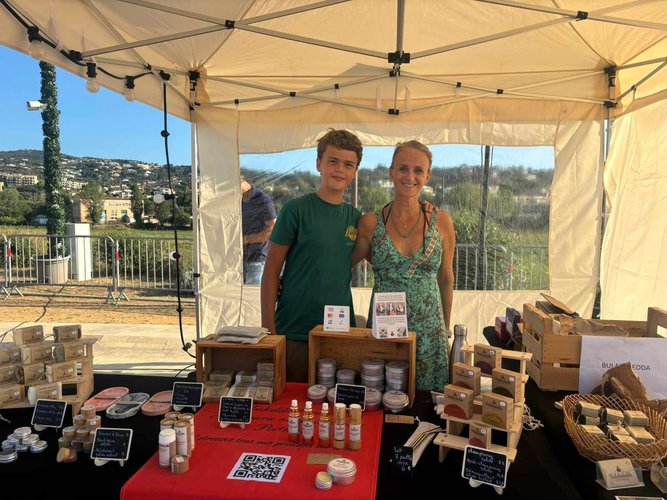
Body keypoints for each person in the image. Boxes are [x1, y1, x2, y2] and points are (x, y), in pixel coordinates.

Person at [261, 129, 363, 383]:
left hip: (339, 333)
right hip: (294, 331)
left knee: (338, 402)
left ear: (355, 171)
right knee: (292, 402)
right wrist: (268, 333)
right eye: (333, 161)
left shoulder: (356, 218)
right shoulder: (295, 210)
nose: (340, 169)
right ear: (319, 164)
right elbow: (271, 271)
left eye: (348, 164)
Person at [353, 140, 456, 391]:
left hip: (430, 336)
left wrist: (444, 330)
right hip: (385, 332)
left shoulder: (441, 221)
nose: (410, 177)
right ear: (391, 172)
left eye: (418, 170)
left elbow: (446, 278)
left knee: (429, 405)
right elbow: (340, 264)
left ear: (427, 176)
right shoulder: (370, 223)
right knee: (381, 397)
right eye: (403, 168)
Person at [241, 176, 276, 285]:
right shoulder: (237, 201)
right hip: (238, 260)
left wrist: (246, 239)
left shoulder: (262, 199)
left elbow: (272, 229)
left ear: (241, 181)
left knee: (252, 294)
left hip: (257, 260)